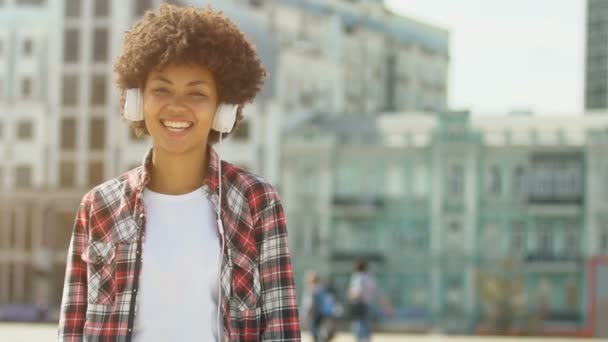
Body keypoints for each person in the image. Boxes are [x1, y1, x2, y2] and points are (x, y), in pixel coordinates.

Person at [57, 4, 301, 341]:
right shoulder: (98, 206)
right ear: (136, 98)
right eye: (162, 89)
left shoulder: (257, 202)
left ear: (223, 108)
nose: (177, 106)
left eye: (197, 93)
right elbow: (71, 329)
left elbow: (282, 330)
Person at [347, 260, 380, 342]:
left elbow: (356, 292)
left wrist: (350, 295)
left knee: (358, 326)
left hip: (359, 305)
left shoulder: (357, 277)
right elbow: (377, 292)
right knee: (367, 327)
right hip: (368, 304)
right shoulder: (370, 278)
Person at [302, 271, 339, 342]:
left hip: (314, 314)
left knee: (315, 333)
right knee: (321, 332)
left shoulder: (311, 290)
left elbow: (308, 304)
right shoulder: (323, 289)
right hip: (323, 313)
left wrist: (305, 313)